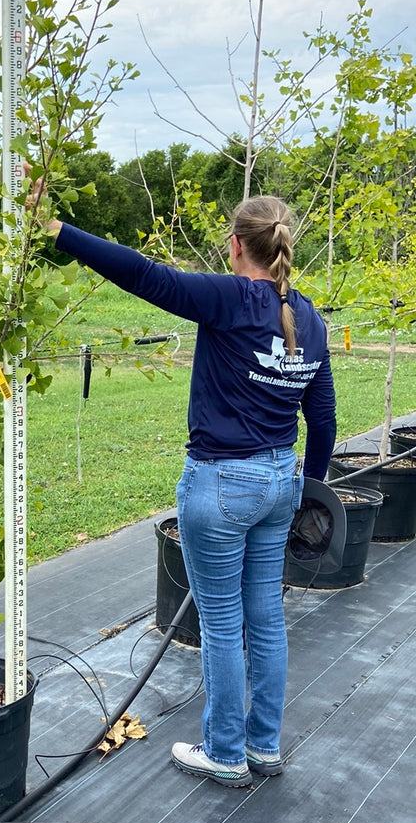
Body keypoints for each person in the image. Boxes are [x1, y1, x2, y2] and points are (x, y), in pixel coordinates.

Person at [40, 191, 337, 788]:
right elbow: (323, 416)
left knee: (224, 625)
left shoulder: (230, 298)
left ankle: (225, 752)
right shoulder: (310, 318)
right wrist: (312, 491)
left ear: (235, 245)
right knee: (267, 620)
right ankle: (264, 746)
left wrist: (58, 230)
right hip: (281, 482)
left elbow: (144, 275)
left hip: (223, 484)